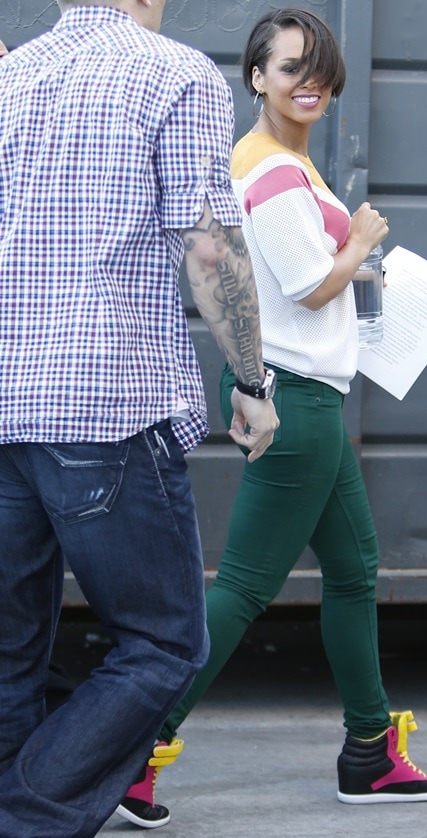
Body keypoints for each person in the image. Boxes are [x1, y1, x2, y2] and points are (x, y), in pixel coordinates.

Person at [118, 6, 427, 827]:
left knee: (354, 570)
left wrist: (356, 267)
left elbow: (298, 281)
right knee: (239, 591)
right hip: (296, 401)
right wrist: (360, 237)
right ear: (257, 77)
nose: (310, 82)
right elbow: (307, 284)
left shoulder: (287, 168)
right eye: (291, 67)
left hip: (315, 402)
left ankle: (369, 752)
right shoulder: (267, 169)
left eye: (320, 69)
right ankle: (130, 754)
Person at [0, 0, 279, 835]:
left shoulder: (11, 77)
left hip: (7, 400)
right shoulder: (176, 72)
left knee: (10, 652)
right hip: (104, 399)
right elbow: (208, 246)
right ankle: (28, 816)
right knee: (162, 644)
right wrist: (252, 379)